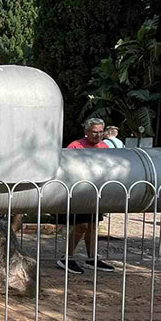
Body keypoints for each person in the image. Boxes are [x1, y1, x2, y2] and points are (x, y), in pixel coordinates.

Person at [58, 117, 116, 275]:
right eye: (94, 132)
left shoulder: (104, 147)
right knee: (81, 226)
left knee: (92, 226)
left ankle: (92, 258)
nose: (98, 135)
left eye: (100, 132)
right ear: (86, 132)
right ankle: (66, 258)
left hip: (96, 192)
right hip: (79, 192)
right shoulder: (75, 146)